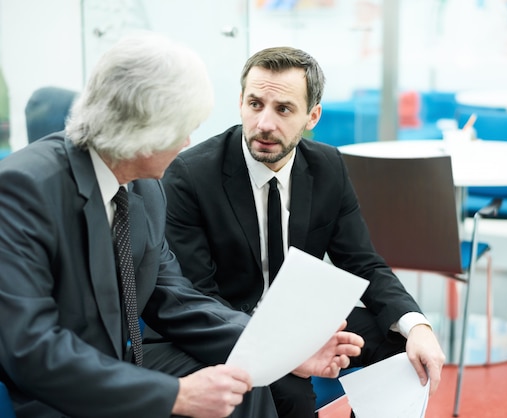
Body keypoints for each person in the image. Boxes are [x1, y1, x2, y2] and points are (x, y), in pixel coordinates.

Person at [0, 33, 364, 418]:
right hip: (58, 390)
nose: (188, 141)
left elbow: (174, 297)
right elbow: (30, 348)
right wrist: (173, 395)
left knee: (242, 383)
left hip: (123, 362)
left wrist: (281, 351)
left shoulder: (145, 188)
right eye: (182, 128)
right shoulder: (24, 189)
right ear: (142, 130)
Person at [161, 46, 446, 417]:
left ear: (312, 116)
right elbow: (199, 295)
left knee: (402, 353)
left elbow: (362, 262)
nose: (264, 123)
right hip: (236, 327)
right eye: (255, 103)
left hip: (305, 318)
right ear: (240, 103)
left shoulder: (328, 166)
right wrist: (284, 350)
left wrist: (417, 325)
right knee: (293, 396)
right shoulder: (191, 175)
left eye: (283, 109)